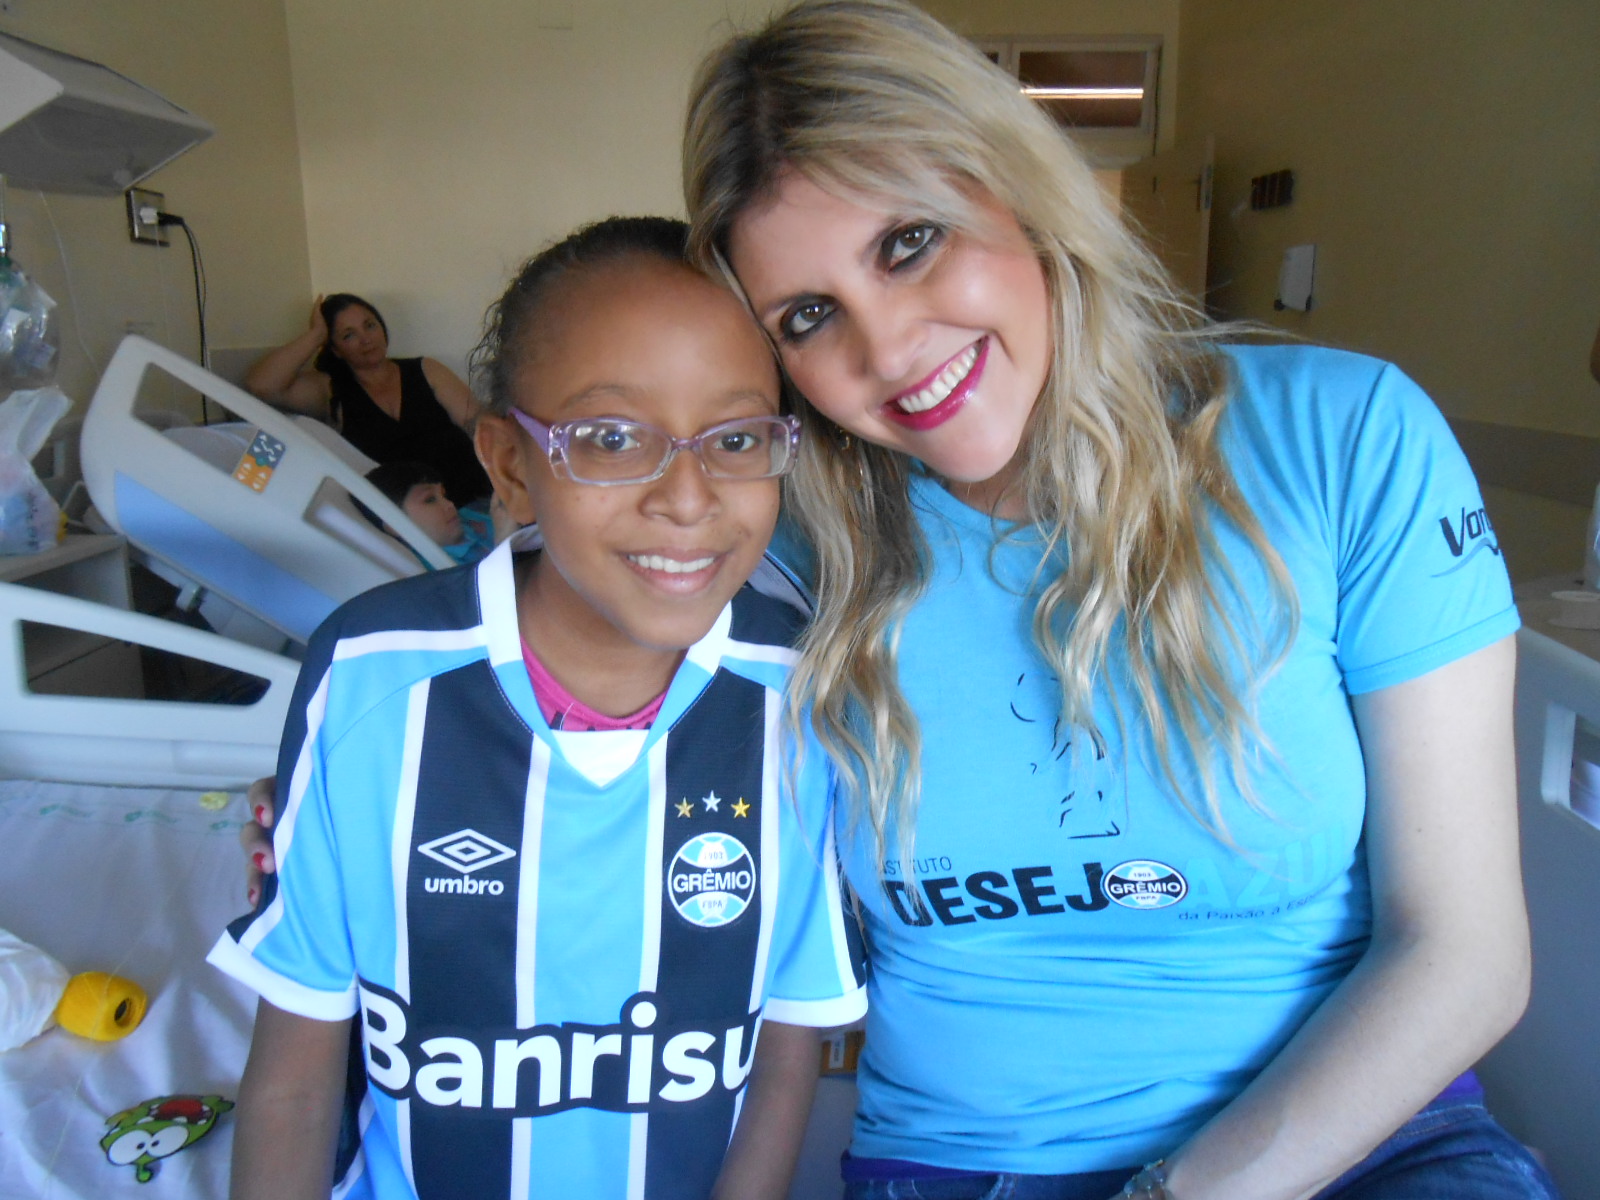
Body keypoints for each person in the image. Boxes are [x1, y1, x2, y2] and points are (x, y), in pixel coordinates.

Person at [675, 2, 1550, 1198]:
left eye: (910, 242)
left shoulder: (1342, 437)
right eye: (809, 318)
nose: (885, 350)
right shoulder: (796, 543)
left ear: (1020, 194)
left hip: (1363, 1143)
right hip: (968, 1165)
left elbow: (1464, 952)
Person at [213, 217, 866, 1200]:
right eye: (610, 439)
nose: (688, 498)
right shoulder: (372, 678)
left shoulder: (800, 698)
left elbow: (785, 1043)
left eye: (736, 439)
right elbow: (296, 1086)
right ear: (509, 465)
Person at [246, 293, 491, 506]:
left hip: (473, 497)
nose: (366, 339)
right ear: (335, 349)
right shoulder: (330, 390)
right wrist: (316, 335)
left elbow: (477, 424)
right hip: (405, 521)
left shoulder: (426, 369)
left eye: (370, 325)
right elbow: (262, 385)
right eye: (348, 335)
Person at [358, 460, 502, 565]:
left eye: (443, 495)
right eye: (430, 500)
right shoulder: (437, 567)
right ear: (394, 523)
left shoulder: (469, 516)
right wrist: (504, 536)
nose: (450, 504)